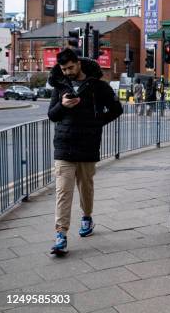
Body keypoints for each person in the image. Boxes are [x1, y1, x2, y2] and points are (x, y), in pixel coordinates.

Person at [47, 48, 123, 255]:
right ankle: (60, 235)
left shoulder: (98, 86)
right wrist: (63, 105)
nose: (68, 72)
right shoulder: (60, 86)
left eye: (71, 67)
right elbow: (52, 115)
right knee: (63, 191)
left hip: (88, 145)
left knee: (86, 187)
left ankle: (87, 218)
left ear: (78, 63)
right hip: (64, 145)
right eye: (63, 69)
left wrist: (96, 122)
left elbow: (117, 109)